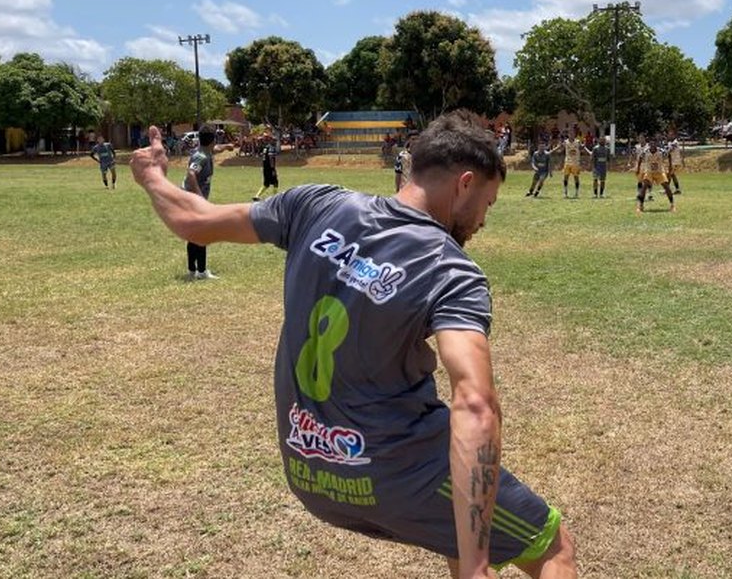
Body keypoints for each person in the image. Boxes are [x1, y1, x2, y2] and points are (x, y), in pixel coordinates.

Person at [130, 112, 577, 578]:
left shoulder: (316, 205)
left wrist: (152, 176)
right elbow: (476, 405)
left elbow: (192, 221)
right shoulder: (452, 272)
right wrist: (477, 564)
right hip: (394, 475)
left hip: (312, 476)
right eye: (488, 203)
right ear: (465, 185)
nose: (484, 219)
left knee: (454, 512)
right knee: (552, 547)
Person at [182, 125, 234, 280]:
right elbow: (191, 174)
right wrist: (199, 198)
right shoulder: (201, 157)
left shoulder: (206, 151)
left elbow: (216, 149)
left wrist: (227, 146)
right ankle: (202, 271)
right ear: (212, 140)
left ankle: (192, 270)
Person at [636, 139, 675, 214]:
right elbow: (640, 158)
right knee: (644, 186)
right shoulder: (646, 152)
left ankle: (672, 205)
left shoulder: (661, 151)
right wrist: (638, 168)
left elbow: (669, 155)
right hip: (649, 172)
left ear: (656, 145)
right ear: (649, 145)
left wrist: (670, 166)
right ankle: (640, 206)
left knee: (666, 186)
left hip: (659, 172)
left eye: (654, 144)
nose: (652, 146)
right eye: (651, 144)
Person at [560, 132, 590, 198]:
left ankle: (576, 193)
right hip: (567, 162)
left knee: (576, 178)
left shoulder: (577, 142)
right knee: (565, 177)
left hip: (575, 163)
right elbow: (561, 147)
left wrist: (584, 143)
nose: (571, 135)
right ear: (568, 135)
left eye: (573, 134)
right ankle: (565, 192)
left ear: (574, 135)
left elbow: (582, 147)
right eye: (570, 134)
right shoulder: (566, 142)